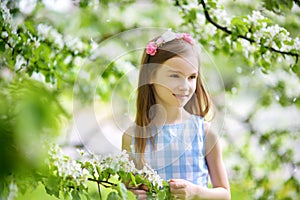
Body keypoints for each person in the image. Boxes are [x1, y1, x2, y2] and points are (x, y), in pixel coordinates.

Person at [122, 30, 230, 199]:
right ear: (150, 75)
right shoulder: (133, 136)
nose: (185, 86)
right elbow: (128, 183)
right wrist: (132, 185)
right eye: (174, 76)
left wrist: (195, 192)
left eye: (192, 77)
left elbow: (224, 194)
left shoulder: (205, 133)